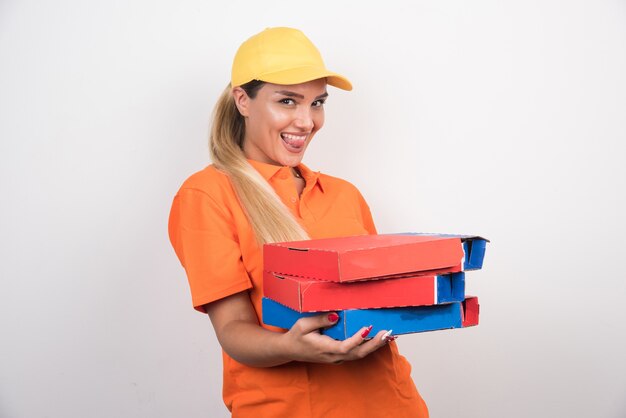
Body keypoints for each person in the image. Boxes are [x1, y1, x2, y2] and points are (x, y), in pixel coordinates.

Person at [168, 27, 429, 417]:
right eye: (287, 101)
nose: (306, 122)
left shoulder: (345, 195)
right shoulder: (207, 195)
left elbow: (376, 303)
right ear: (243, 100)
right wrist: (292, 346)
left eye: (317, 103)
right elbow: (233, 330)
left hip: (391, 402)